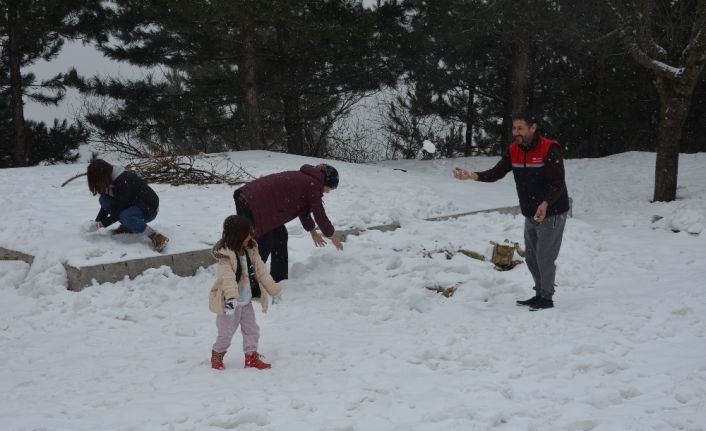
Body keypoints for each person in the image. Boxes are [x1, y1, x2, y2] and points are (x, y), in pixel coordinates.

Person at [453, 113, 570, 310]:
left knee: (544, 256)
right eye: (514, 128)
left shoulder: (549, 148)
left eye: (520, 129)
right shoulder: (514, 150)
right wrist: (473, 176)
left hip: (552, 211)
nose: (516, 133)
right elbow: (497, 172)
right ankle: (539, 293)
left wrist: (545, 203)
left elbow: (558, 183)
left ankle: (547, 298)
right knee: (532, 257)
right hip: (530, 212)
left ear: (533, 128)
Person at [233, 163, 343, 282]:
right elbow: (320, 215)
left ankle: (279, 278)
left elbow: (303, 210)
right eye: (331, 188)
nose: (329, 192)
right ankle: (244, 283)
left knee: (280, 236)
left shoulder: (307, 179)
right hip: (255, 204)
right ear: (326, 182)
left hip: (251, 200)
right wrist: (332, 235)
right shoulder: (313, 185)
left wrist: (313, 232)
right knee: (263, 244)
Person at [209, 215, 282, 370]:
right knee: (226, 333)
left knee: (252, 330)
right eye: (247, 232)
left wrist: (273, 290)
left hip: (246, 301)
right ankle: (217, 353)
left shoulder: (250, 250)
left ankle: (251, 356)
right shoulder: (225, 255)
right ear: (237, 235)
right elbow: (227, 278)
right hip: (230, 302)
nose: (251, 235)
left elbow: (261, 271)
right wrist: (231, 298)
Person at [83, 159, 169, 252]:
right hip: (132, 205)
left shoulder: (124, 180)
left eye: (97, 180)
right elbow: (108, 206)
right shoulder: (111, 178)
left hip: (149, 209)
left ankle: (156, 236)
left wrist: (100, 225)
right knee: (104, 200)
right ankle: (129, 226)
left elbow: (120, 209)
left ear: (102, 175)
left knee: (124, 216)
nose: (97, 183)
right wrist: (97, 221)